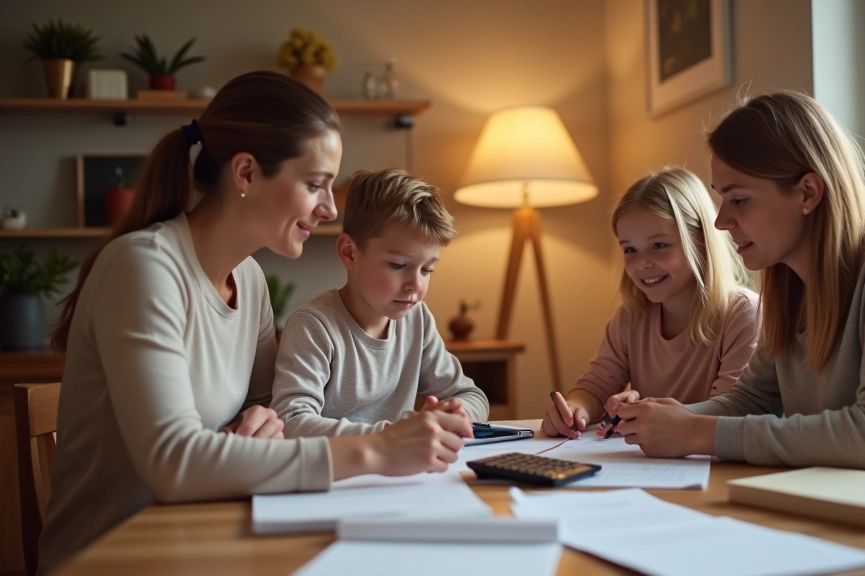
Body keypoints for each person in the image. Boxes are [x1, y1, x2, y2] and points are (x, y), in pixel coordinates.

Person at [39, 72, 471, 573]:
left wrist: (255, 427)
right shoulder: (144, 267)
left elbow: (274, 417)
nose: (331, 208)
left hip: (211, 534)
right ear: (245, 173)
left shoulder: (250, 281)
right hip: (118, 557)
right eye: (315, 184)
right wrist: (376, 450)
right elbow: (174, 464)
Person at [610, 91, 865, 507]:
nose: (721, 221)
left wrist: (695, 433)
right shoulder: (788, 282)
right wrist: (672, 417)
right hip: (849, 505)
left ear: (807, 192)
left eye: (739, 199)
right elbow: (755, 400)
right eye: (721, 198)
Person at [270, 168, 489, 437]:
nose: (416, 285)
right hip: (337, 474)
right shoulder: (313, 327)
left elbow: (470, 394)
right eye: (398, 265)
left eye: (427, 270)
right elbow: (290, 420)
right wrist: (394, 436)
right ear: (349, 252)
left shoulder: (416, 318)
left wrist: (458, 413)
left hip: (398, 470)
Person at [542, 167, 759, 439]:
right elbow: (596, 387)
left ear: (701, 241)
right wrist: (574, 411)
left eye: (658, 246)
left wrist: (647, 412)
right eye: (629, 249)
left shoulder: (743, 314)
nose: (642, 263)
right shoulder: (631, 317)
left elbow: (732, 409)